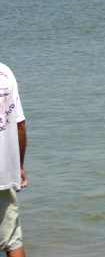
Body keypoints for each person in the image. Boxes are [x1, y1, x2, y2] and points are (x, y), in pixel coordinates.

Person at [0, 63, 27, 257]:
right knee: (12, 240)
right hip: (4, 172)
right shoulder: (5, 72)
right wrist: (19, 165)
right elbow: (20, 125)